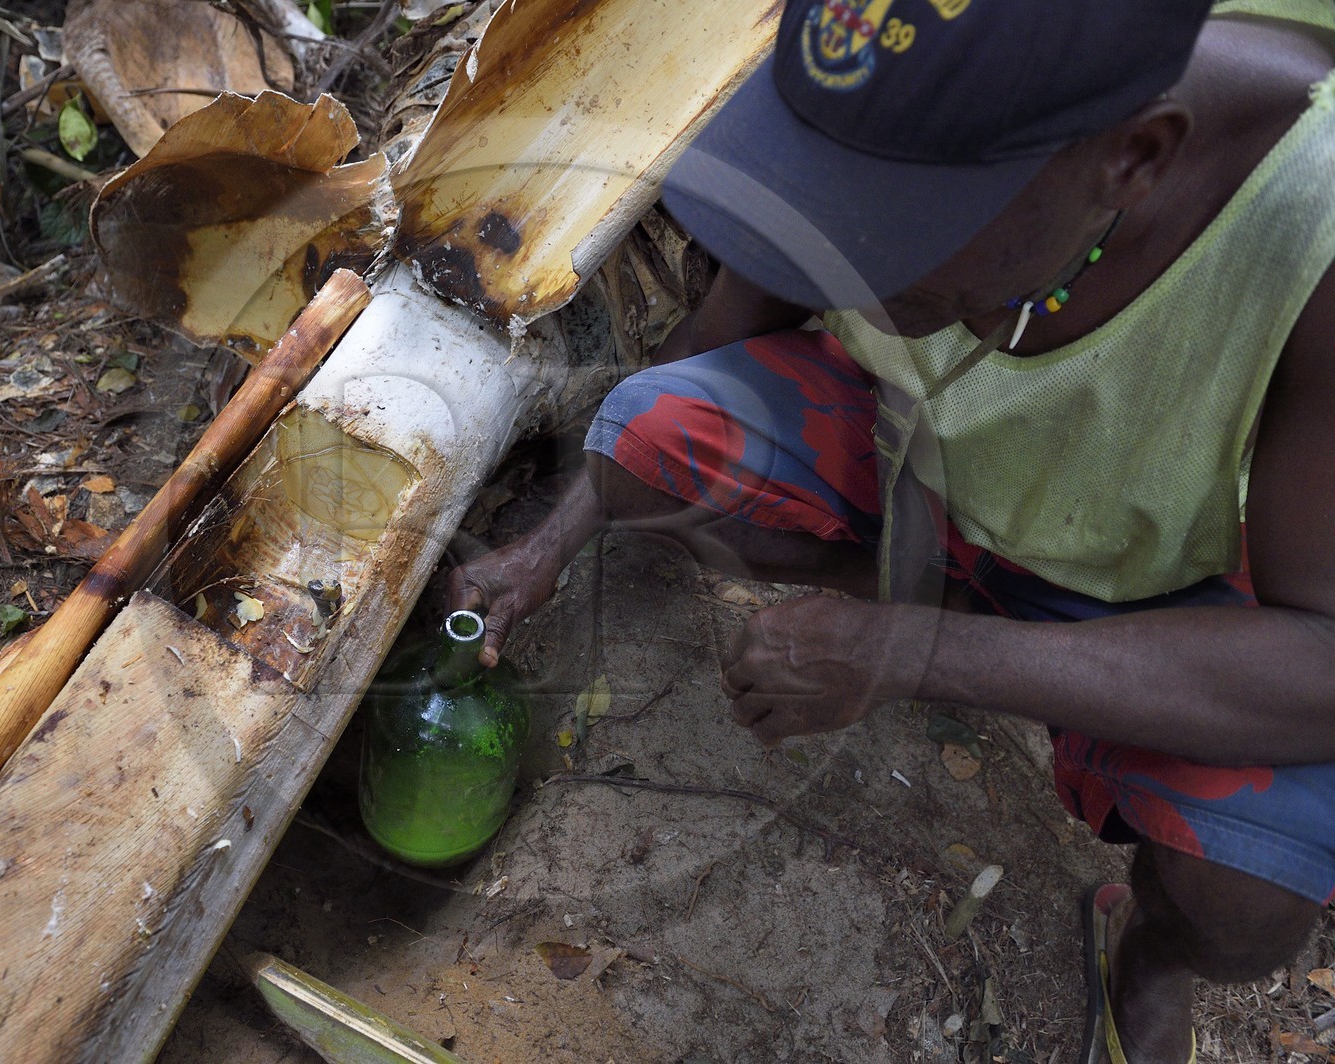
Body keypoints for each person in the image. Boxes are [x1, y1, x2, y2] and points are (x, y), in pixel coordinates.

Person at [447, 1, 1335, 1061]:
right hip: (918, 473)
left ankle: (1147, 958)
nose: (841, 256)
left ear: (1132, 159)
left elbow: (1322, 661)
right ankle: (957, 597)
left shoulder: (1311, 220)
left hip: (1154, 592)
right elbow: (709, 344)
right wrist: (548, 542)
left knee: (1244, 900)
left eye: (903, 222)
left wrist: (914, 653)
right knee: (648, 440)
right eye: (828, 197)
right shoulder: (886, 100)